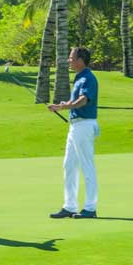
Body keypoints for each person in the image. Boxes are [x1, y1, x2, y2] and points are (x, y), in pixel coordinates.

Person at [48, 46, 99, 219]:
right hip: (75, 126)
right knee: (69, 165)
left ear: (80, 60)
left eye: (71, 58)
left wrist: (64, 106)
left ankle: (90, 208)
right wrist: (60, 106)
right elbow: (74, 100)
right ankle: (70, 206)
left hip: (85, 125)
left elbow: (83, 100)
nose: (69, 61)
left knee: (87, 165)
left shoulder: (88, 78)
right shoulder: (78, 78)